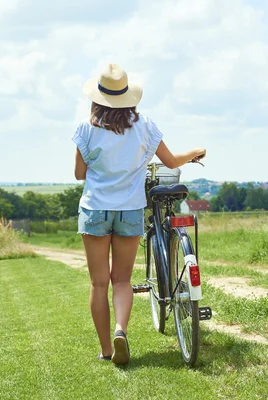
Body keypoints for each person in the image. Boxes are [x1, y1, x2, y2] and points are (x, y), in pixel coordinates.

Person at [72, 64, 206, 365]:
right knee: (121, 280)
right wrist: (194, 152)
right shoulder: (144, 126)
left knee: (98, 283)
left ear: (98, 98)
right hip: (130, 209)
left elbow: (80, 173)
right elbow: (170, 161)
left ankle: (107, 350)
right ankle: (122, 330)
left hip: (95, 208)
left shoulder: (85, 129)